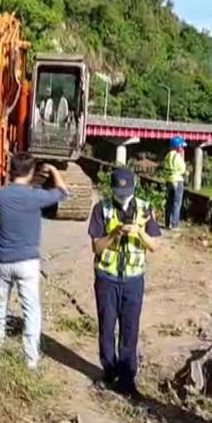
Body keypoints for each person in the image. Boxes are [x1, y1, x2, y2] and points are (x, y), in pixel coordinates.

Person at [0, 153, 68, 369]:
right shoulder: (36, 197)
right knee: (31, 309)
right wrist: (53, 171)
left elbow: (11, 190)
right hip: (28, 262)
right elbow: (63, 192)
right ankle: (30, 358)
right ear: (32, 172)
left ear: (9, 169)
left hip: (3, 259)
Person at [87, 169, 161, 396]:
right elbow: (96, 248)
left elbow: (155, 245)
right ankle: (109, 372)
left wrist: (139, 232)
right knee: (107, 327)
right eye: (120, 192)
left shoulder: (145, 209)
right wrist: (114, 234)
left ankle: (128, 379)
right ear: (112, 189)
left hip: (133, 280)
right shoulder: (101, 209)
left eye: (127, 191)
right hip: (107, 278)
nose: (124, 196)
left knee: (130, 329)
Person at [163, 136, 187, 229]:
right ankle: (174, 224)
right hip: (177, 181)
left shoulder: (167, 155)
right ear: (178, 146)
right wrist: (182, 157)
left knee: (169, 202)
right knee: (177, 203)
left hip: (168, 180)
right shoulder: (177, 156)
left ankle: (167, 222)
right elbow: (183, 169)